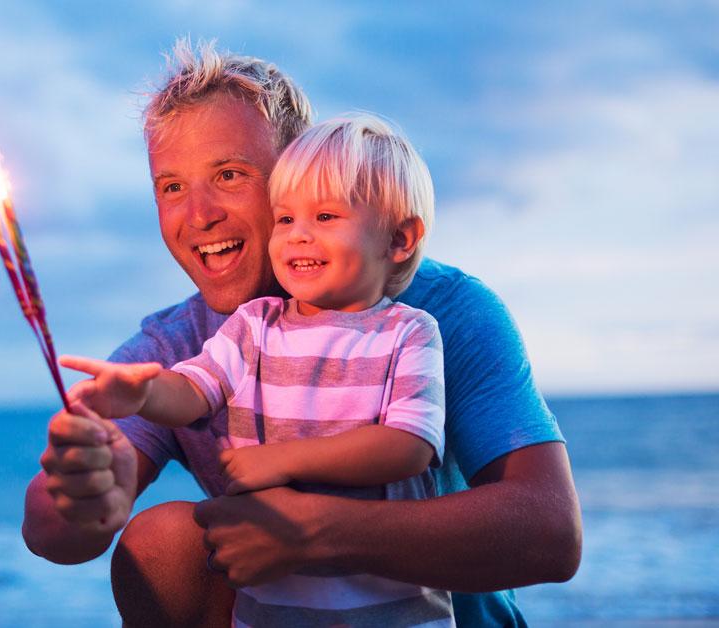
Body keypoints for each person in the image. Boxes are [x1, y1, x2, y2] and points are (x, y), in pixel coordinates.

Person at [22, 39, 582, 627]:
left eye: (230, 174)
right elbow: (53, 530)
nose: (197, 215)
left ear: (301, 171)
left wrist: (317, 531)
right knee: (161, 541)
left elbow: (551, 530)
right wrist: (84, 497)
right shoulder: (177, 344)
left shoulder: (439, 313)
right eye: (171, 187)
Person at [59, 113, 455, 626]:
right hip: (272, 611)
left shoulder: (409, 331)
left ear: (400, 239)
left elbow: (408, 446)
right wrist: (142, 394)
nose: (298, 237)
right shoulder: (254, 326)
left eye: (326, 218)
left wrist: (285, 460)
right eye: (286, 219)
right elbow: (193, 389)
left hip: (390, 613)